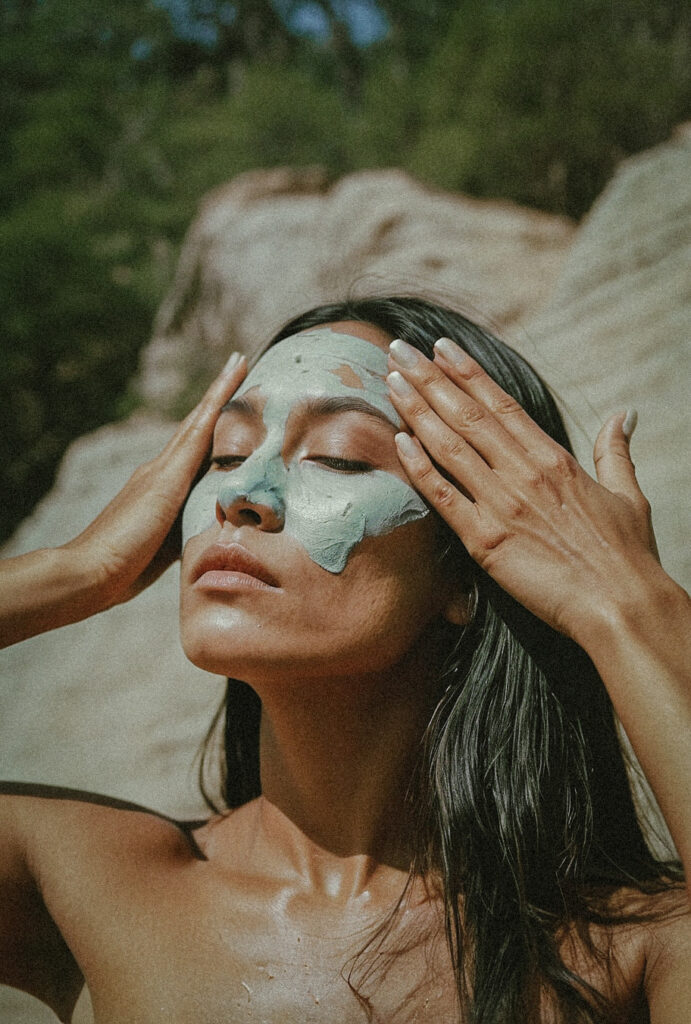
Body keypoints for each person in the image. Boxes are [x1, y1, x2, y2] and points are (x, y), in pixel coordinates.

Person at [0, 296, 689, 1024]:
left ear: (468, 573)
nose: (240, 493)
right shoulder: (88, 878)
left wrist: (628, 605)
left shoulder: (627, 951)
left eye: (339, 457)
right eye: (226, 455)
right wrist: (78, 568)